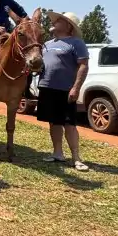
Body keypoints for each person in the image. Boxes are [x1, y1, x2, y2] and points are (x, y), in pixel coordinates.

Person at [38, 12, 90, 171]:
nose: (54, 22)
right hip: (47, 87)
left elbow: (83, 65)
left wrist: (76, 87)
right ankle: (57, 153)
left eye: (59, 21)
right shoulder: (47, 43)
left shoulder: (76, 43)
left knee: (69, 123)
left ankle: (76, 158)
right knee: (53, 122)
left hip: (65, 89)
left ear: (68, 26)